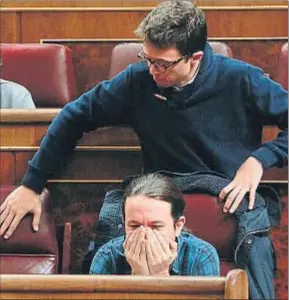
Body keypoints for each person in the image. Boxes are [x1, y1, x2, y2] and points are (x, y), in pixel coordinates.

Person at [0, 0, 287, 298]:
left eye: (162, 64)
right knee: (110, 228)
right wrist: (32, 185)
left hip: (228, 191)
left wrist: (260, 159)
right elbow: (74, 115)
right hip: (160, 189)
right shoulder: (138, 80)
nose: (152, 70)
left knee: (256, 245)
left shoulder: (242, 78)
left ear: (195, 58)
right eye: (147, 58)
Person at [89, 173, 220, 276]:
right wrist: (137, 277)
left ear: (178, 226)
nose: (145, 236)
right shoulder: (107, 255)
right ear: (124, 223)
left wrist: (161, 277)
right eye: (134, 226)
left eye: (156, 227)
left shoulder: (201, 255)